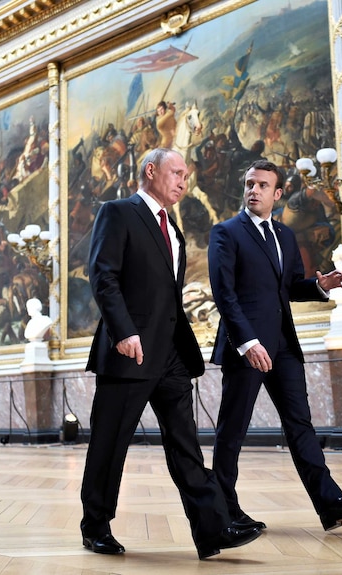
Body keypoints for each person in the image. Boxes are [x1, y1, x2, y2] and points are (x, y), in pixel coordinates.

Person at [80, 148, 262, 560]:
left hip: (171, 356)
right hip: (130, 352)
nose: (183, 180)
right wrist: (123, 330)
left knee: (186, 445)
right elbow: (103, 276)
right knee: (110, 444)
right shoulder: (118, 213)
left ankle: (213, 530)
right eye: (176, 172)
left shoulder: (174, 231)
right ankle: (95, 527)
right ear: (151, 171)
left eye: (186, 174)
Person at [208, 159, 342, 533]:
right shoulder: (226, 233)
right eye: (249, 183)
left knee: (300, 424)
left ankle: (330, 504)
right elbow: (224, 294)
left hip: (283, 344)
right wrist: (247, 342)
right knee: (233, 429)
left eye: (262, 185)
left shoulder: (285, 235)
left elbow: (288, 287)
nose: (253, 190)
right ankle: (223, 509)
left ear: (278, 193)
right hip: (247, 346)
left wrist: (322, 286)